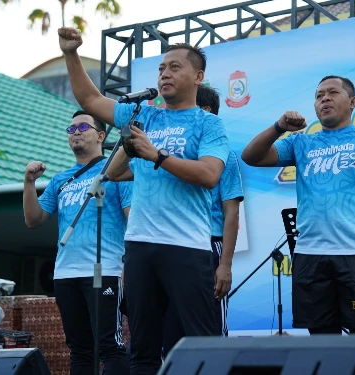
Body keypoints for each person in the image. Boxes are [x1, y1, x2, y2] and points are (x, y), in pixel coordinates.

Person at [57, 27, 229, 375]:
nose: (165, 73)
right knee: (143, 349)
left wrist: (157, 155)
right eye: (162, 68)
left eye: (175, 67)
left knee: (202, 344)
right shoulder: (143, 115)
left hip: (187, 247)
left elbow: (210, 175)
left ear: (198, 76)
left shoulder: (208, 124)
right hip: (139, 247)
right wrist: (71, 55)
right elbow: (90, 101)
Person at [241, 75, 355, 335]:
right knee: (322, 343)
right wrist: (279, 127)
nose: (324, 98)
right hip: (311, 256)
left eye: (332, 93)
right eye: (319, 95)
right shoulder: (301, 142)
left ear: (352, 102)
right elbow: (251, 156)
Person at [23, 110, 132, 375]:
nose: (76, 133)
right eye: (71, 130)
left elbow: (133, 220)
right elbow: (34, 219)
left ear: (101, 135)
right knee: (80, 349)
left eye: (83, 127)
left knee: (110, 346)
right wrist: (28, 182)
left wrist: (129, 265)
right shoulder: (60, 179)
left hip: (104, 270)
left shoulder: (116, 172)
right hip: (65, 273)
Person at [162, 84, 244, 357]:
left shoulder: (225, 158)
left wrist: (225, 266)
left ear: (205, 112)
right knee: (172, 337)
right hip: (174, 247)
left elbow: (231, 213)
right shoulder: (172, 156)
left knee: (210, 337)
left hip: (210, 247)